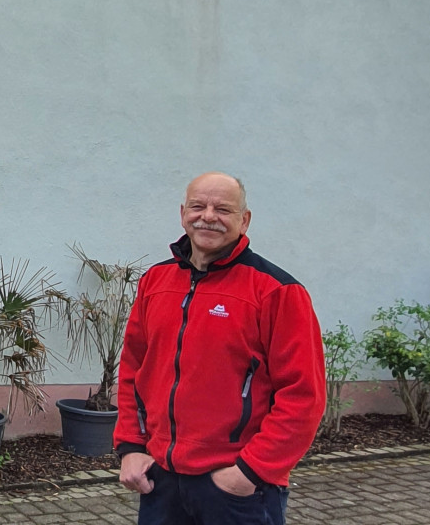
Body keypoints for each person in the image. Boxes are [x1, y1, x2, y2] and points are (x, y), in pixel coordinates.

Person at [113, 172, 324, 525]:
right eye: (198, 206)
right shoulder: (156, 282)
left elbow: (304, 395)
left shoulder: (277, 291)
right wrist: (131, 448)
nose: (208, 216)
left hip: (236, 487)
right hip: (161, 480)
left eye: (223, 209)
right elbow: (134, 371)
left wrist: (250, 472)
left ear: (245, 220)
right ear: (183, 213)